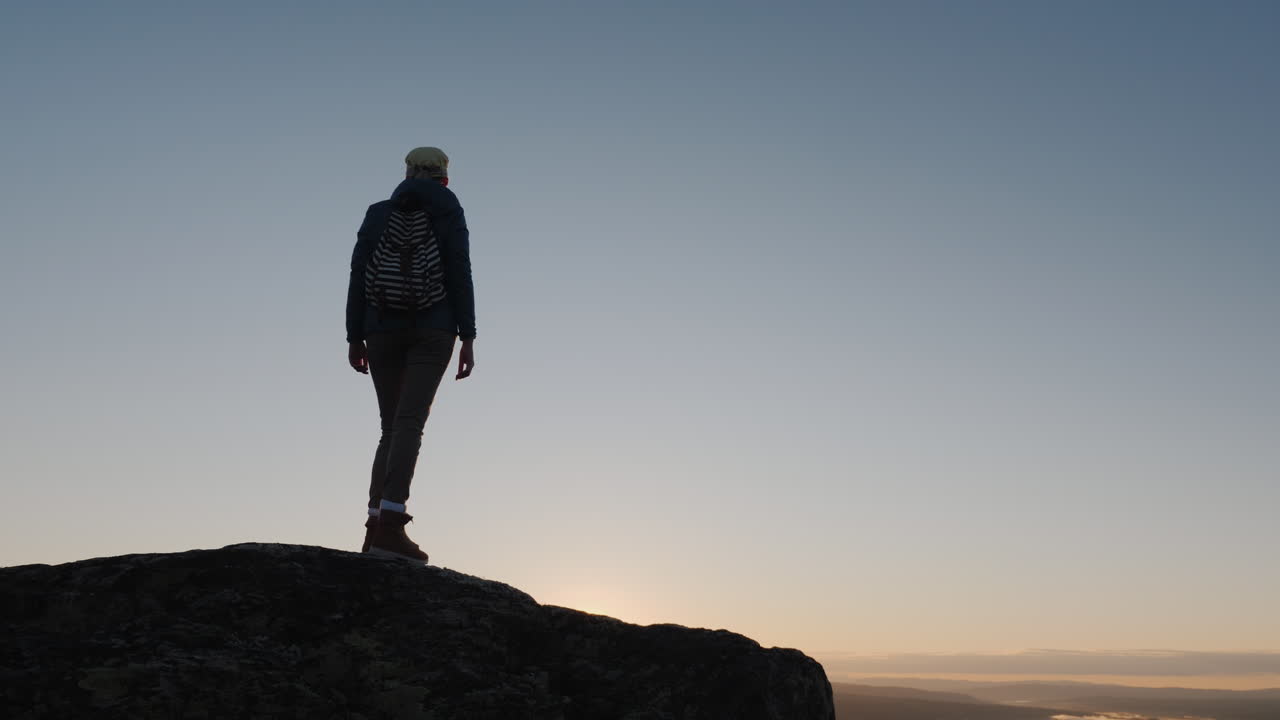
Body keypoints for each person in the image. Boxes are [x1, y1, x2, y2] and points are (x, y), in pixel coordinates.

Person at [345, 146, 476, 563]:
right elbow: (459, 268)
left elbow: (358, 273)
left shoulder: (377, 213)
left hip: (380, 328)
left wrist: (354, 336)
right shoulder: (449, 210)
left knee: (390, 428)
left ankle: (374, 527)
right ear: (444, 179)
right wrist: (468, 335)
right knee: (409, 425)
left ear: (406, 175)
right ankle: (391, 525)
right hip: (433, 329)